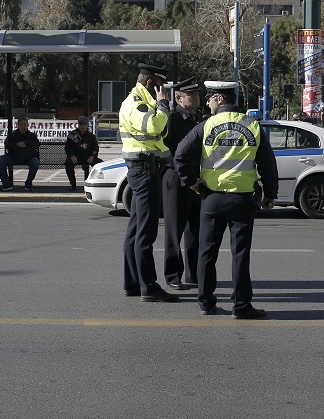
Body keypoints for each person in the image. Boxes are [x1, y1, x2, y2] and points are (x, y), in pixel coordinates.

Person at [174, 80, 278, 319]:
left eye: (210, 97)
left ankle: (206, 303)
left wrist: (191, 181)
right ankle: (241, 306)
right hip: (242, 200)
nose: (208, 101)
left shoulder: (206, 125)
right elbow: (267, 163)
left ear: (220, 99)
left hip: (211, 198)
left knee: (206, 254)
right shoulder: (252, 126)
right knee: (240, 254)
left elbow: (180, 153)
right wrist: (271, 193)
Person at [119, 63, 178, 303]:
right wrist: (163, 105)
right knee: (146, 231)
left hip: (146, 168)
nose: (163, 91)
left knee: (136, 229)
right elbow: (155, 125)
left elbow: (158, 134)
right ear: (152, 83)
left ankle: (133, 283)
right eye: (161, 86)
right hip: (144, 170)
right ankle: (148, 287)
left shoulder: (143, 102)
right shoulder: (136, 103)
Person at [161, 77, 203, 290]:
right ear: (178, 98)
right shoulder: (172, 119)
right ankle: (172, 275)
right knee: (174, 230)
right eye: (191, 95)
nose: (196, 97)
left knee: (195, 230)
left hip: (196, 180)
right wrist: (186, 174)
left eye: (197, 94)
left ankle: (194, 274)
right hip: (177, 179)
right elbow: (166, 152)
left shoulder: (198, 118)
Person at [0, 117, 40, 191]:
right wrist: (16, 144)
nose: (23, 126)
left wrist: (26, 143)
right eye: (21, 124)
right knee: (0, 161)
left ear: (27, 125)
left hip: (29, 157)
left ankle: (28, 184)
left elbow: (37, 144)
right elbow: (7, 144)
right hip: (13, 157)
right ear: (17, 125)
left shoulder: (31, 135)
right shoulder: (12, 135)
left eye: (24, 124)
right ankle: (6, 184)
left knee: (35, 162)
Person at [64, 115, 101, 191]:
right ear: (78, 125)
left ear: (87, 125)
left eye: (84, 124)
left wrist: (93, 156)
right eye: (81, 124)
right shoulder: (72, 135)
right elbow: (67, 147)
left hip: (88, 157)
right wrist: (72, 156)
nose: (82, 126)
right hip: (76, 157)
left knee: (100, 165)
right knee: (68, 164)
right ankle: (73, 185)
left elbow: (95, 148)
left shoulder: (91, 136)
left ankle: (96, 184)